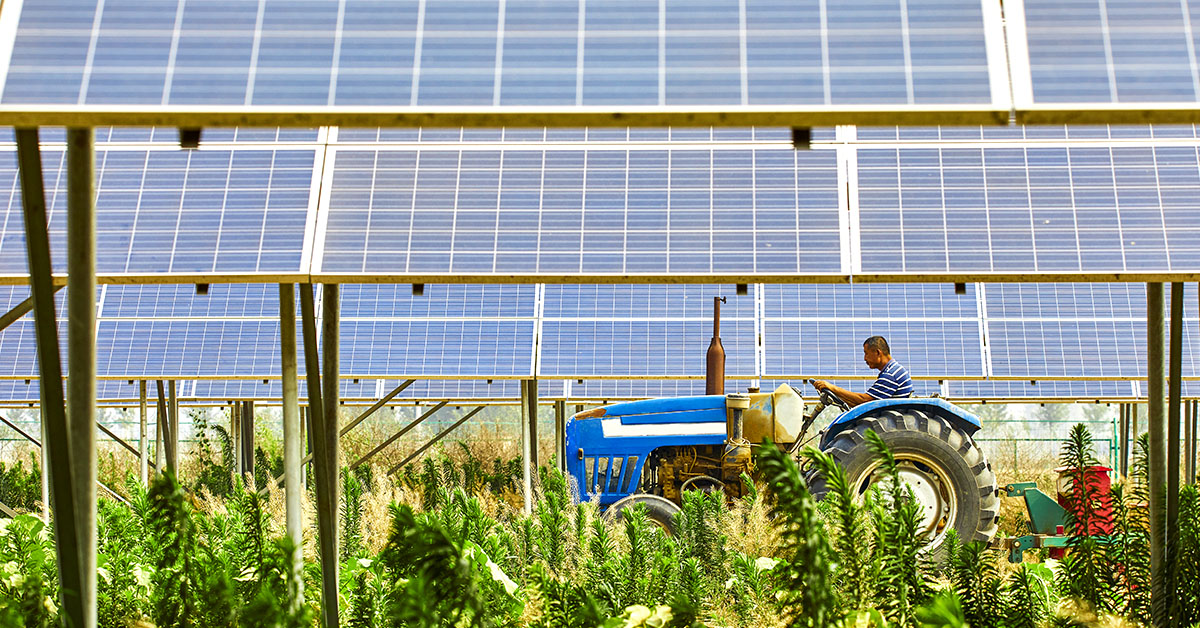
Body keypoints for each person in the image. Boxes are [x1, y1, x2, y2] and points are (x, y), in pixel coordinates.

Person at [811, 336, 913, 408]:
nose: (865, 358)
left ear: (878, 352)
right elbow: (862, 403)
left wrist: (832, 387)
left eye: (866, 353)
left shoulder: (891, 375)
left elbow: (865, 401)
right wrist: (835, 394)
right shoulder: (893, 370)